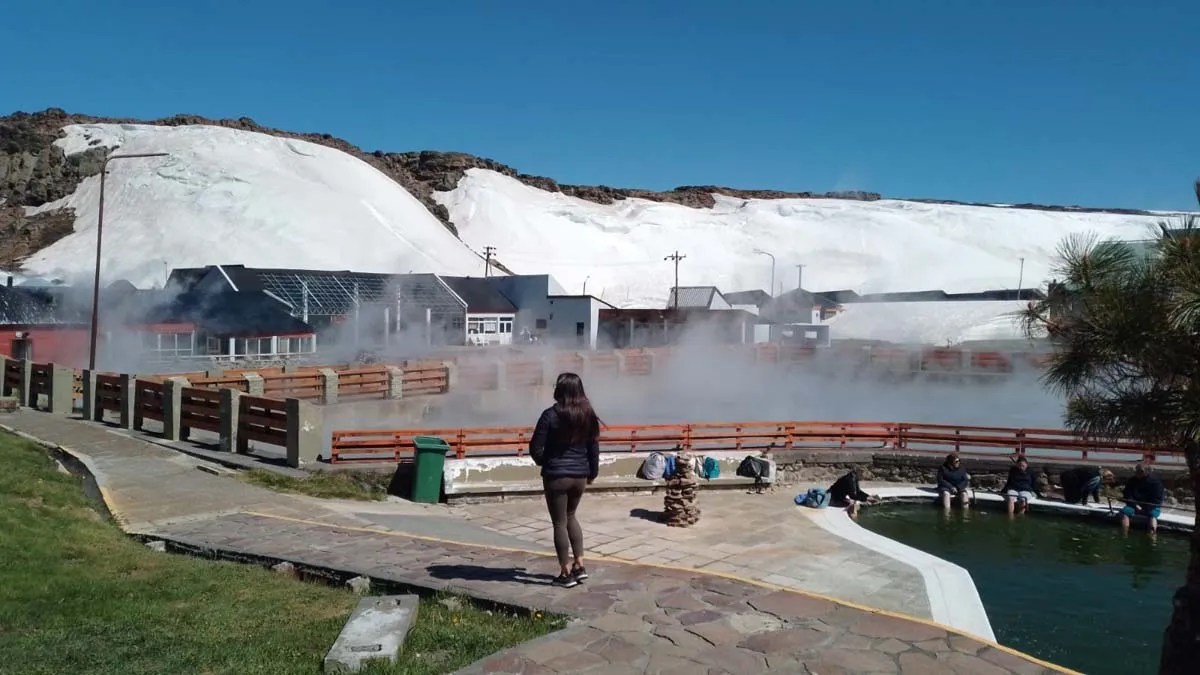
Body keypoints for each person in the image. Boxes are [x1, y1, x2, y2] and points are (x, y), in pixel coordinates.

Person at [529, 372, 601, 588]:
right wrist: (592, 473)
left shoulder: (549, 415)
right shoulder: (588, 414)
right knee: (571, 516)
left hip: (556, 477)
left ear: (559, 390)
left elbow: (535, 449)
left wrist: (547, 462)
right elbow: (593, 448)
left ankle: (565, 572)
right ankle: (580, 565)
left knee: (559, 522)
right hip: (580, 476)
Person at [1121, 463, 1165, 533]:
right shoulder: (1132, 480)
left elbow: (1157, 498)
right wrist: (1135, 505)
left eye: (1140, 471)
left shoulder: (1155, 482)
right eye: (1137, 471)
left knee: (1153, 516)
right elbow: (1127, 494)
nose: (1137, 473)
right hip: (1135, 504)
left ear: (1146, 472)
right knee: (1125, 512)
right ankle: (1125, 533)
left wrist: (1146, 506)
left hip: (1151, 506)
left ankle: (1152, 535)